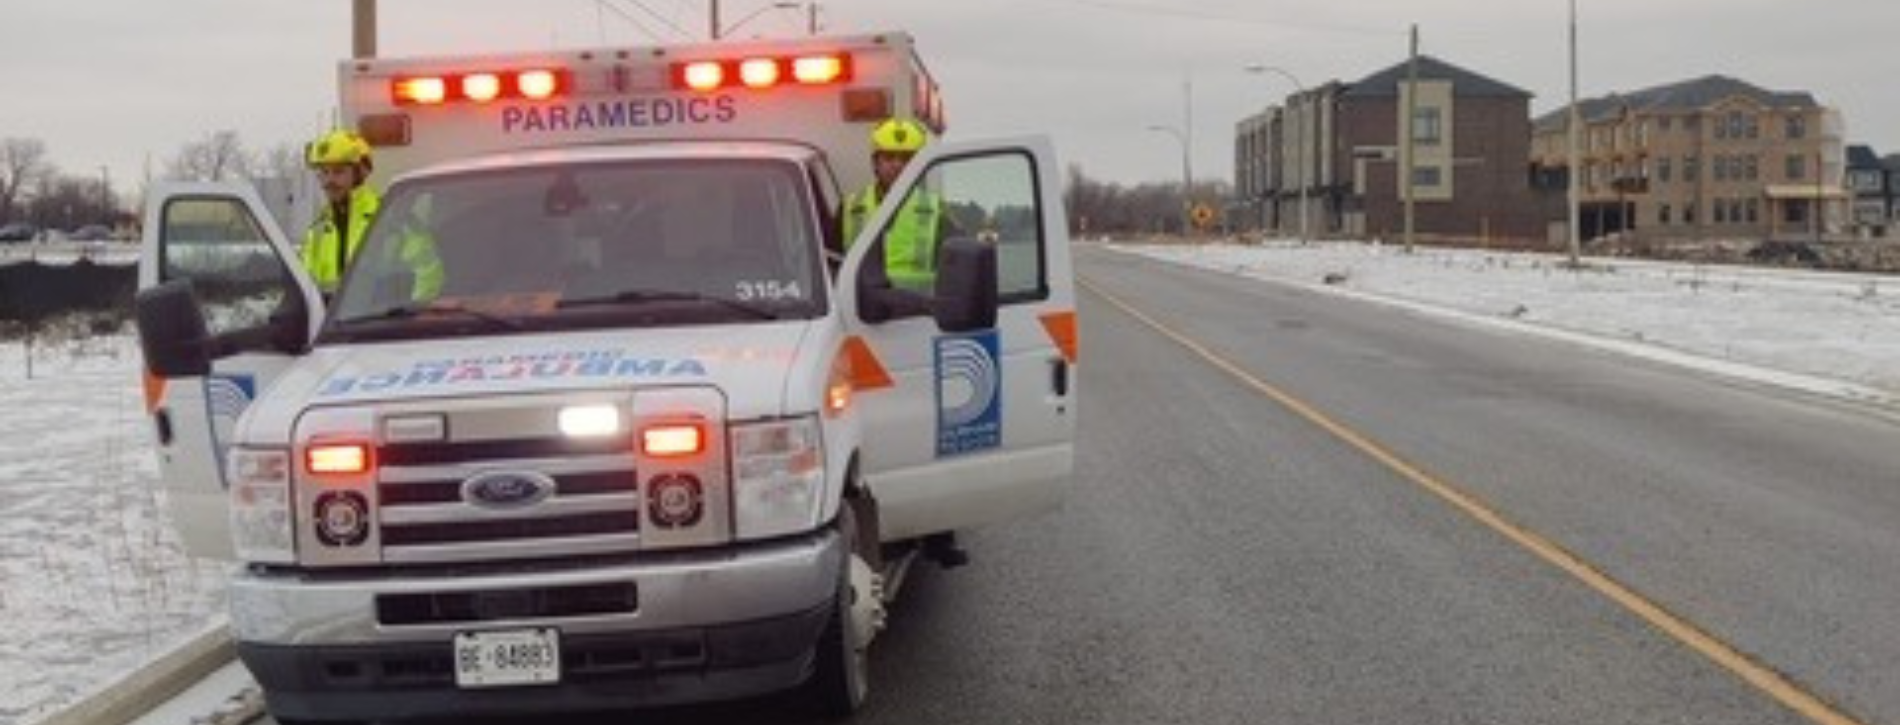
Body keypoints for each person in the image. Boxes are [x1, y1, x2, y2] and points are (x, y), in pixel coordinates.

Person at [301, 129, 443, 301]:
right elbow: (304, 284)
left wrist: (410, 312)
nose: (329, 181)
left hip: (378, 317)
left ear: (360, 173)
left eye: (338, 171)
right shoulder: (317, 229)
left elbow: (428, 273)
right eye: (324, 172)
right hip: (331, 318)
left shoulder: (389, 218)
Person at [841, 117, 945, 293]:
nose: (897, 165)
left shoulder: (935, 209)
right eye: (889, 157)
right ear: (876, 163)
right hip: (859, 307)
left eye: (906, 158)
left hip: (914, 307)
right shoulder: (850, 207)